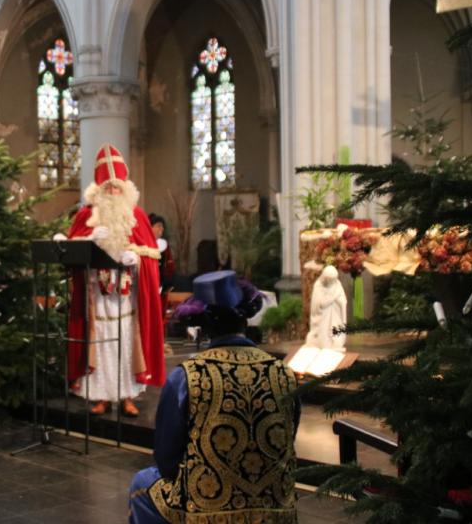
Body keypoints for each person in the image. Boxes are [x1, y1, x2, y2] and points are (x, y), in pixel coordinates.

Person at [128, 270, 300, 524]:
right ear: (247, 320)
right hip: (273, 508)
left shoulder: (186, 377)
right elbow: (289, 438)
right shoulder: (284, 374)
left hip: (207, 510)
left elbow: (166, 459)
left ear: (204, 326)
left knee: (142, 483)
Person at [64, 143, 165, 417]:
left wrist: (137, 258)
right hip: (97, 296)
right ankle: (101, 396)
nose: (112, 192)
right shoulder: (86, 215)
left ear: (125, 189)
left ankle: (128, 396)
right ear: (98, 189)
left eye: (116, 187)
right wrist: (88, 241)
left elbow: (152, 257)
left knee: (126, 344)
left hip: (127, 297)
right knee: (101, 344)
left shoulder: (138, 216)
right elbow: (70, 254)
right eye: (107, 187)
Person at [307, 264, 347, 352]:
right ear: (325, 278)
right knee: (324, 339)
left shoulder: (337, 284)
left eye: (333, 280)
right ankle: (325, 344)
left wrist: (343, 318)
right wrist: (334, 297)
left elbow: (343, 300)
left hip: (336, 315)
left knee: (337, 336)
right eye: (330, 280)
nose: (332, 282)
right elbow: (320, 304)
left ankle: (336, 344)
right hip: (324, 317)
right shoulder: (319, 286)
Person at [147, 213, 175, 316]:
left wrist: (166, 282)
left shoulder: (164, 245)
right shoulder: (145, 245)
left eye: (162, 226)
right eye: (159, 225)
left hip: (162, 285)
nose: (162, 228)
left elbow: (170, 265)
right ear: (151, 227)